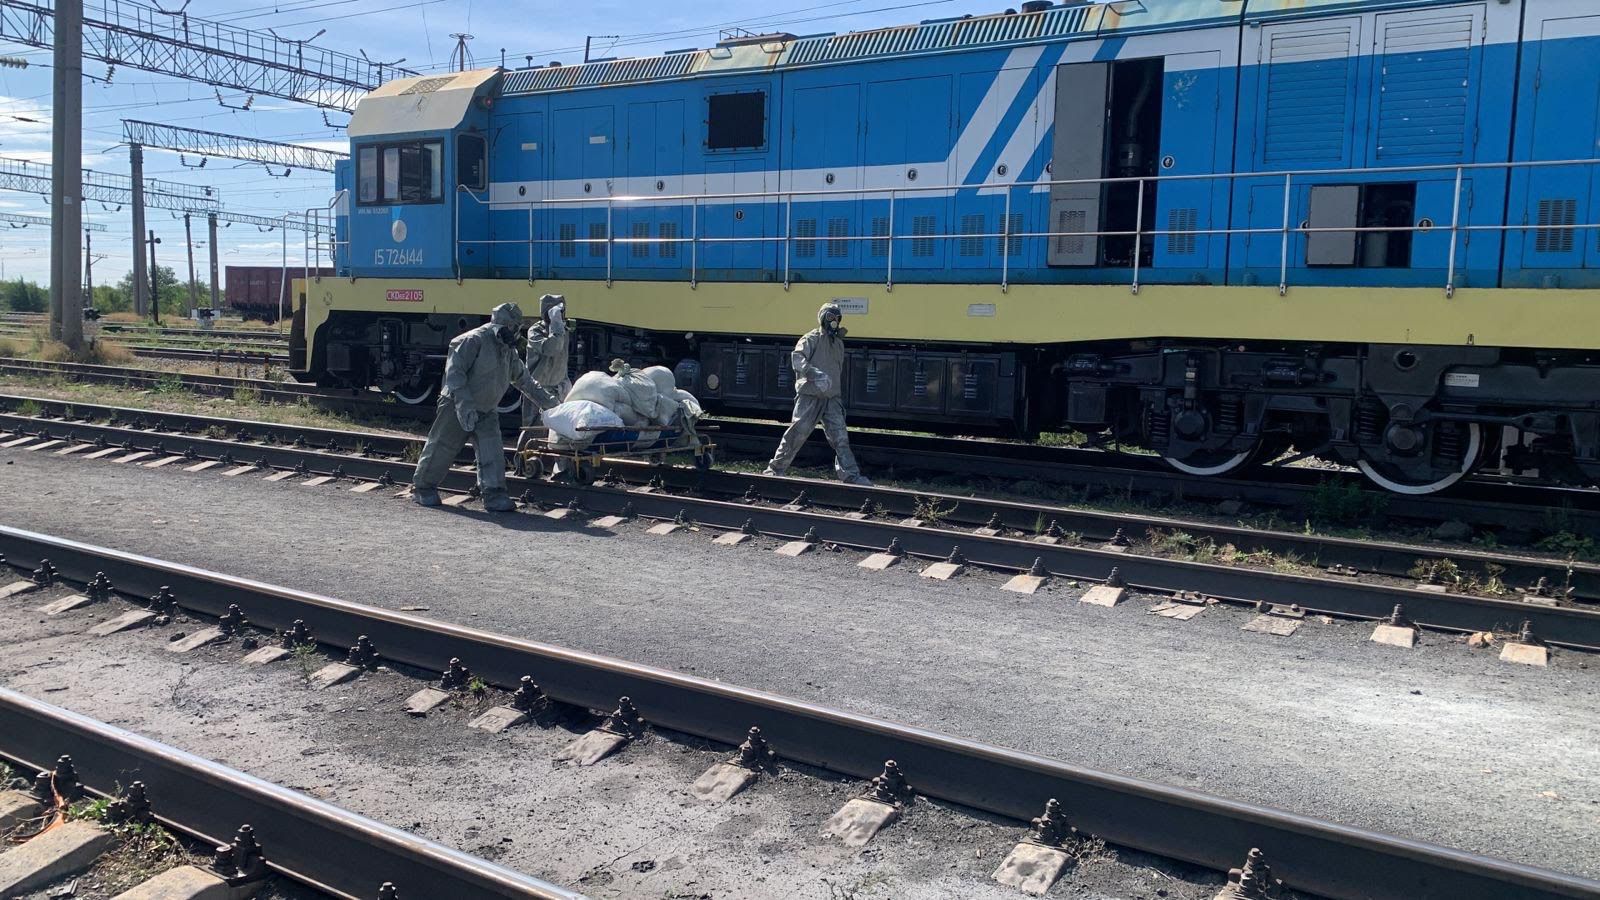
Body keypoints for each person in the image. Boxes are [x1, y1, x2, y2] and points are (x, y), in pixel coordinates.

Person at [413, 302, 558, 511]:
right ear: (504, 325)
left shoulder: (507, 350)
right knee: (442, 447)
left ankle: (494, 494)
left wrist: (551, 405)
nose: (516, 332)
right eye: (514, 327)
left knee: (493, 453)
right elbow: (455, 375)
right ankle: (423, 488)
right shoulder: (471, 341)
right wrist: (464, 406)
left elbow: (525, 381)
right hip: (456, 405)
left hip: (487, 409)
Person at [763, 302, 871, 485]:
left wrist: (834, 392)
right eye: (830, 317)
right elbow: (797, 359)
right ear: (822, 318)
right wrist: (814, 374)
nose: (834, 321)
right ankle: (774, 469)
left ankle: (851, 475)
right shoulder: (810, 338)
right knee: (797, 433)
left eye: (837, 318)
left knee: (840, 438)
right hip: (810, 395)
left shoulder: (838, 344)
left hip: (831, 398)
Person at [521, 293, 572, 428]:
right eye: (556, 312)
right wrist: (556, 323)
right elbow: (552, 348)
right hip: (537, 390)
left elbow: (561, 359)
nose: (560, 315)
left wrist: (566, 382)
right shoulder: (536, 331)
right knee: (533, 430)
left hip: (559, 388)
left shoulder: (562, 330)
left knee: (555, 430)